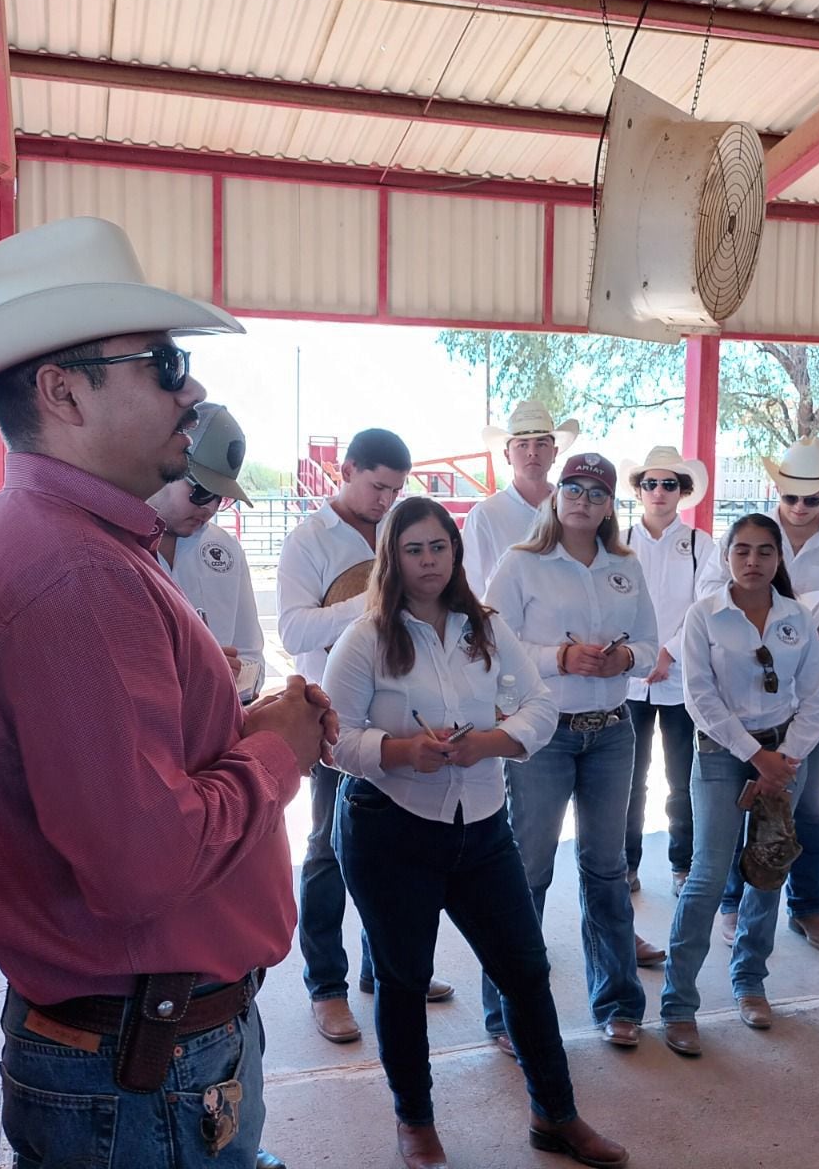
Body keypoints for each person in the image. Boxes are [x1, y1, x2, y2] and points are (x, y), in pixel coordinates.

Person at [0, 217, 333, 1169]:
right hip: (148, 1070)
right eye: (164, 362)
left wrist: (248, 728)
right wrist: (279, 754)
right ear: (62, 392)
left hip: (141, 1050)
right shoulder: (76, 577)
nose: (192, 391)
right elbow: (141, 864)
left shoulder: (70, 548)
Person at [324, 497, 627, 1169]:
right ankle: (415, 1121)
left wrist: (491, 741)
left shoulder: (483, 627)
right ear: (392, 558)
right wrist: (403, 752)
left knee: (525, 970)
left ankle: (556, 1114)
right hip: (390, 831)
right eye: (414, 550)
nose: (429, 562)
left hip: (482, 825)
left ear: (455, 552)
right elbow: (334, 740)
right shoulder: (366, 636)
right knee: (404, 980)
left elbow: (539, 705)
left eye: (439, 547)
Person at [278, 428, 454, 1044]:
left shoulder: (397, 529)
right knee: (327, 847)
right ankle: (326, 985)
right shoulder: (309, 540)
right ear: (346, 471)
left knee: (398, 847)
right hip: (332, 713)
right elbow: (294, 631)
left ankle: (388, 970)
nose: (386, 500)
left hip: (401, 711)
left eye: (396, 490)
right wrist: (374, 597)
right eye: (378, 486)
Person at [481, 453, 658, 1050]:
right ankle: (508, 1011)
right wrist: (559, 657)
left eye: (597, 492)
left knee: (607, 869)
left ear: (611, 505)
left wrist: (624, 658)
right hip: (544, 734)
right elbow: (491, 644)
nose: (583, 499)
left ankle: (618, 1003)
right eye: (572, 489)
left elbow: (652, 642)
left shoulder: (624, 567)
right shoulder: (522, 564)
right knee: (527, 870)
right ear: (555, 498)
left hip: (612, 729)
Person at [660, 514, 819, 1054]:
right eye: (742, 552)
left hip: (785, 756)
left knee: (768, 868)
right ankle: (678, 1001)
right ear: (726, 558)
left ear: (779, 559)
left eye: (764, 552)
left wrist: (784, 758)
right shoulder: (703, 617)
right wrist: (757, 757)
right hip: (722, 754)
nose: (752, 562)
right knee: (708, 876)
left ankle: (750, 980)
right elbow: (700, 700)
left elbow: (814, 697)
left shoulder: (797, 618)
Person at [716, 438, 819, 954]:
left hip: (814, 696)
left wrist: (812, 632)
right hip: (746, 699)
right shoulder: (751, 539)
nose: (801, 508)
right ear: (775, 489)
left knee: (808, 807)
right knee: (742, 803)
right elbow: (714, 602)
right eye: (791, 497)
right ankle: (734, 903)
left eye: (812, 498)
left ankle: (806, 907)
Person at [619, 446, 724, 898]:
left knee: (682, 779)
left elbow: (708, 605)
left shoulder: (703, 545)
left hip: (681, 682)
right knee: (627, 779)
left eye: (668, 484)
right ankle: (625, 863)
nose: (659, 492)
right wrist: (635, 654)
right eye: (650, 483)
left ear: (682, 492)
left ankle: (683, 864)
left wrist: (669, 652)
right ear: (639, 490)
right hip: (625, 679)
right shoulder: (617, 541)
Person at [149, 402, 264, 702]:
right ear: (164, 466)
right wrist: (200, 672)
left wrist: (232, 677)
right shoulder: (112, 549)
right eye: (200, 491)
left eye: (220, 498)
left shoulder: (226, 550)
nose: (208, 508)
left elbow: (253, 658)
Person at [462, 400, 580, 594]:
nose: (532, 452)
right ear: (507, 455)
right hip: (504, 623)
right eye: (522, 445)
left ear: (555, 452)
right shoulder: (484, 515)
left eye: (541, 444)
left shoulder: (573, 510)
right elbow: (471, 586)